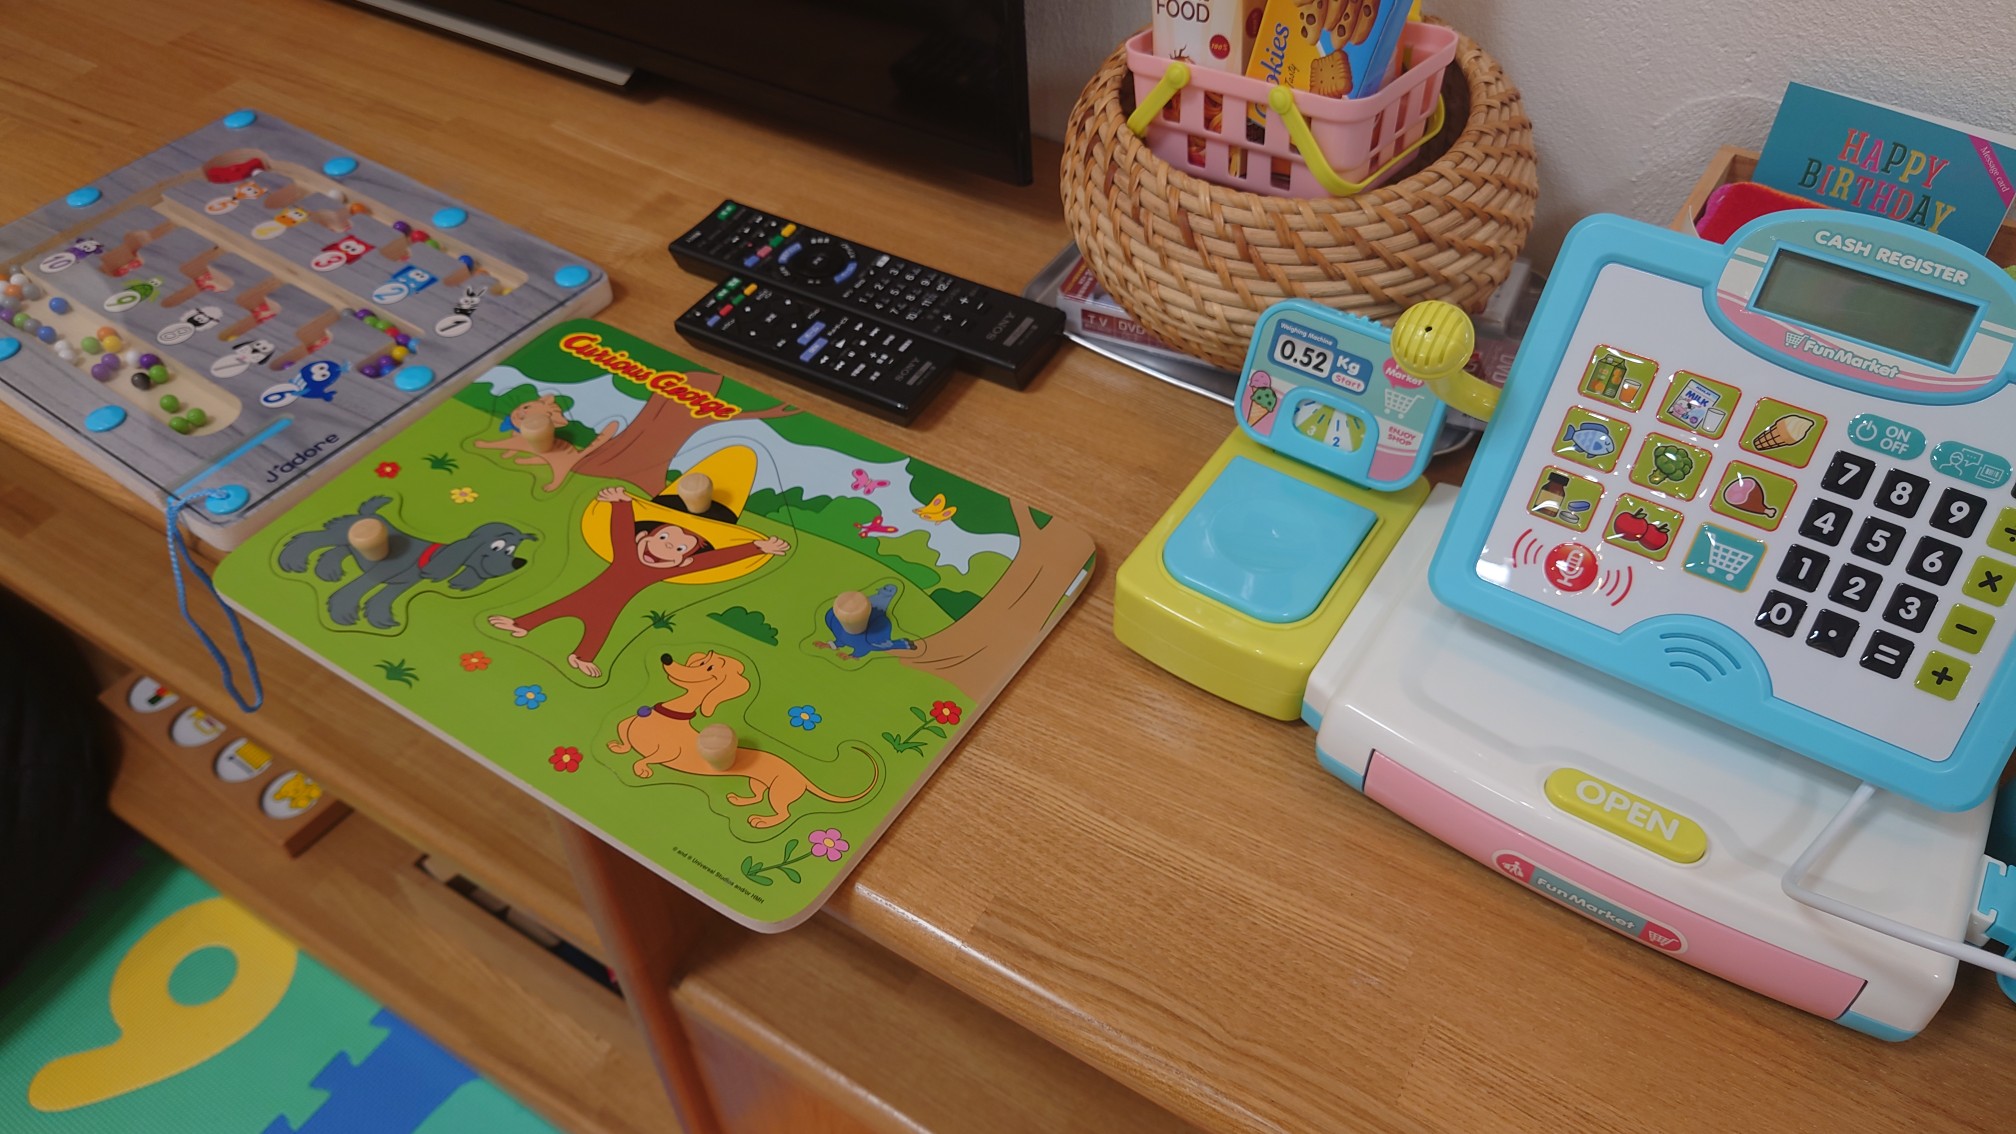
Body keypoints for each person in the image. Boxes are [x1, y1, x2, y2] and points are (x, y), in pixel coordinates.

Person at [489, 487, 789, 677]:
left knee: (600, 626)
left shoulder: (665, 570)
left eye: (680, 548)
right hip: (590, 594)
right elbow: (621, 531)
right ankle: (522, 624)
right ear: (643, 536)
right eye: (664, 537)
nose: (668, 547)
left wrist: (758, 548)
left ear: (684, 561)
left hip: (611, 606)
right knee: (562, 606)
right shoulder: (627, 551)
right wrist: (620, 504)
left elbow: (713, 560)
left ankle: (581, 656)